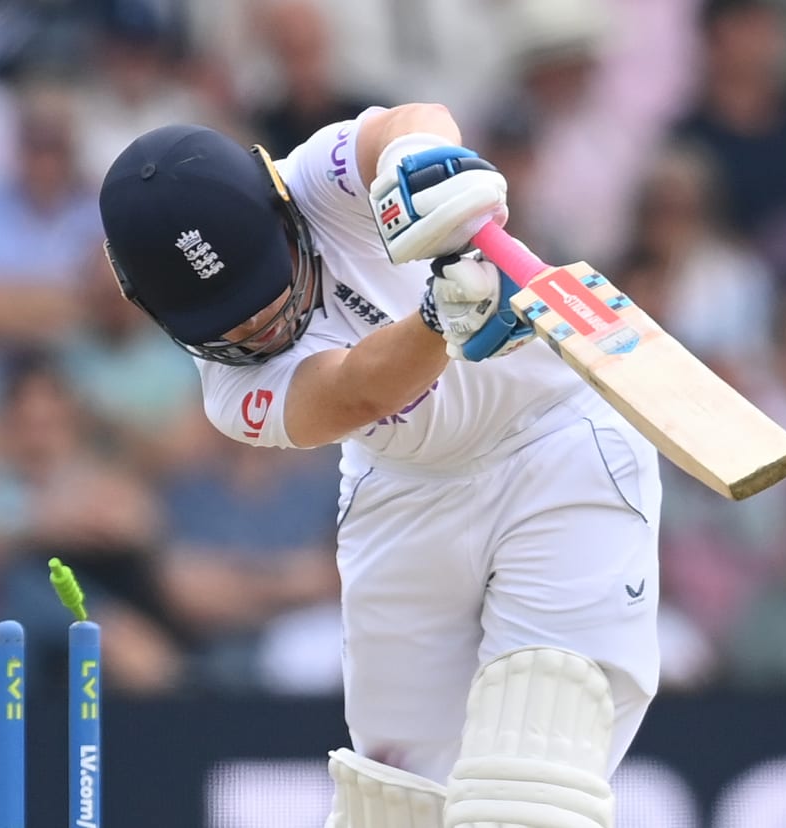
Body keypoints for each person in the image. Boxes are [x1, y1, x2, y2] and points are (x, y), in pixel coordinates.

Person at [98, 104, 658, 825]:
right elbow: (356, 388)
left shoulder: (317, 180)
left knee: (527, 788)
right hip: (403, 490)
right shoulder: (231, 396)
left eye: (268, 299)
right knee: (394, 803)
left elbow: (405, 122)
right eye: (231, 328)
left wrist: (419, 165)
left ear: (282, 212)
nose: (263, 330)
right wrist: (441, 318)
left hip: (560, 446)